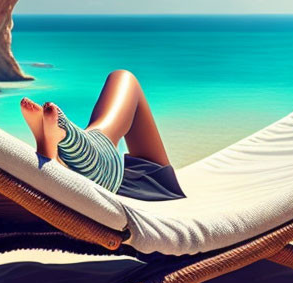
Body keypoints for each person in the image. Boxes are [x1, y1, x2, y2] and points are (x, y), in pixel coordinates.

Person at [20, 70, 186, 201]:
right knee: (123, 77)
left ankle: (68, 145)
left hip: (134, 184)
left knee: (124, 78)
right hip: (138, 185)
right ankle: (69, 145)